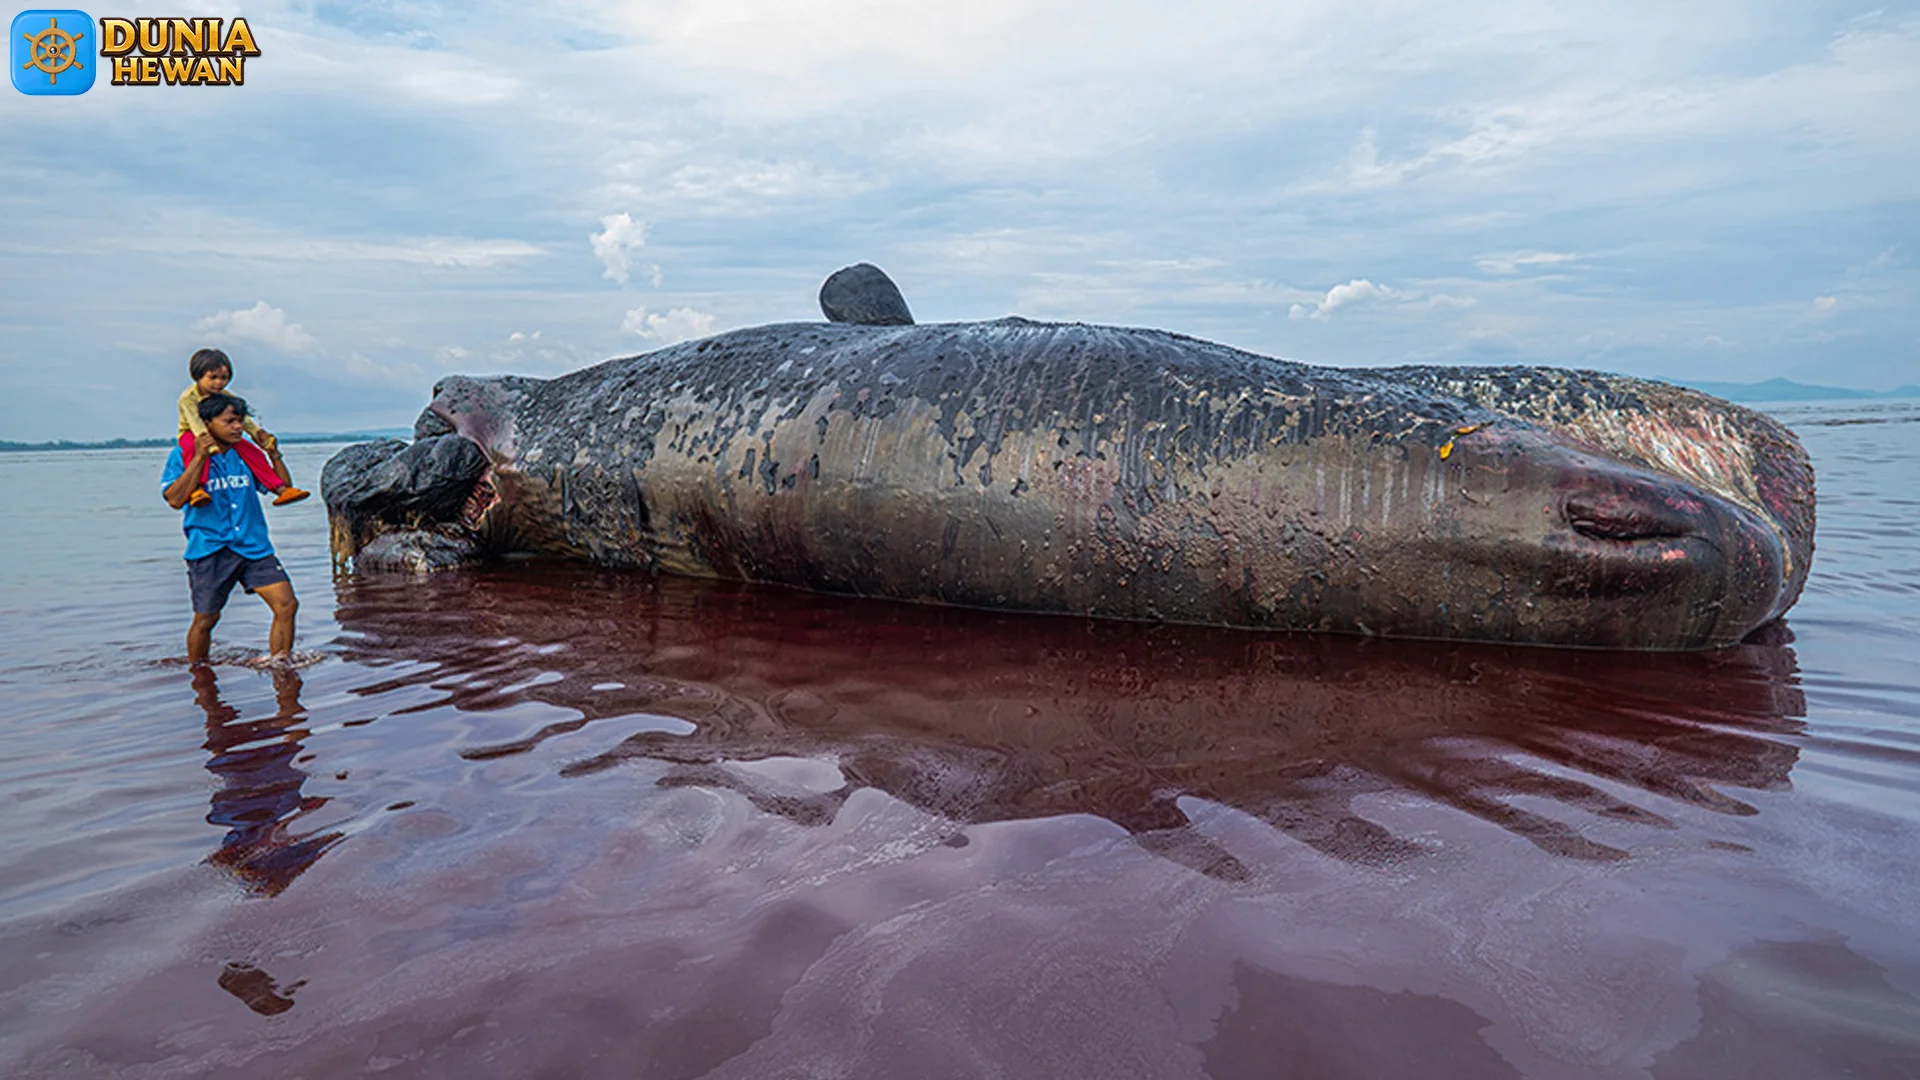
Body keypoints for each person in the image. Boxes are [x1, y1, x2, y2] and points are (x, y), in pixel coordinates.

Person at [162, 392, 300, 663]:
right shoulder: (182, 455)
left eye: (240, 421)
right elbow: (174, 499)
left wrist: (275, 455)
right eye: (229, 421)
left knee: (286, 605)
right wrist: (200, 457)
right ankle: (198, 672)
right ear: (207, 423)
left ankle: (281, 668)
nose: (238, 427)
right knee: (206, 619)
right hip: (210, 548)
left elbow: (280, 486)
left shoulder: (248, 454)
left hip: (253, 546)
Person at [177, 347, 308, 507]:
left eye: (224, 378)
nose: (219, 382)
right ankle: (197, 489)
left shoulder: (227, 397)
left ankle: (280, 488)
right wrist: (208, 446)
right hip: (193, 432)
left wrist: (257, 434)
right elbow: (195, 423)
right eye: (213, 378)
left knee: (254, 452)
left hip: (220, 435)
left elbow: (244, 419)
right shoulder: (188, 398)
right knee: (193, 450)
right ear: (197, 376)